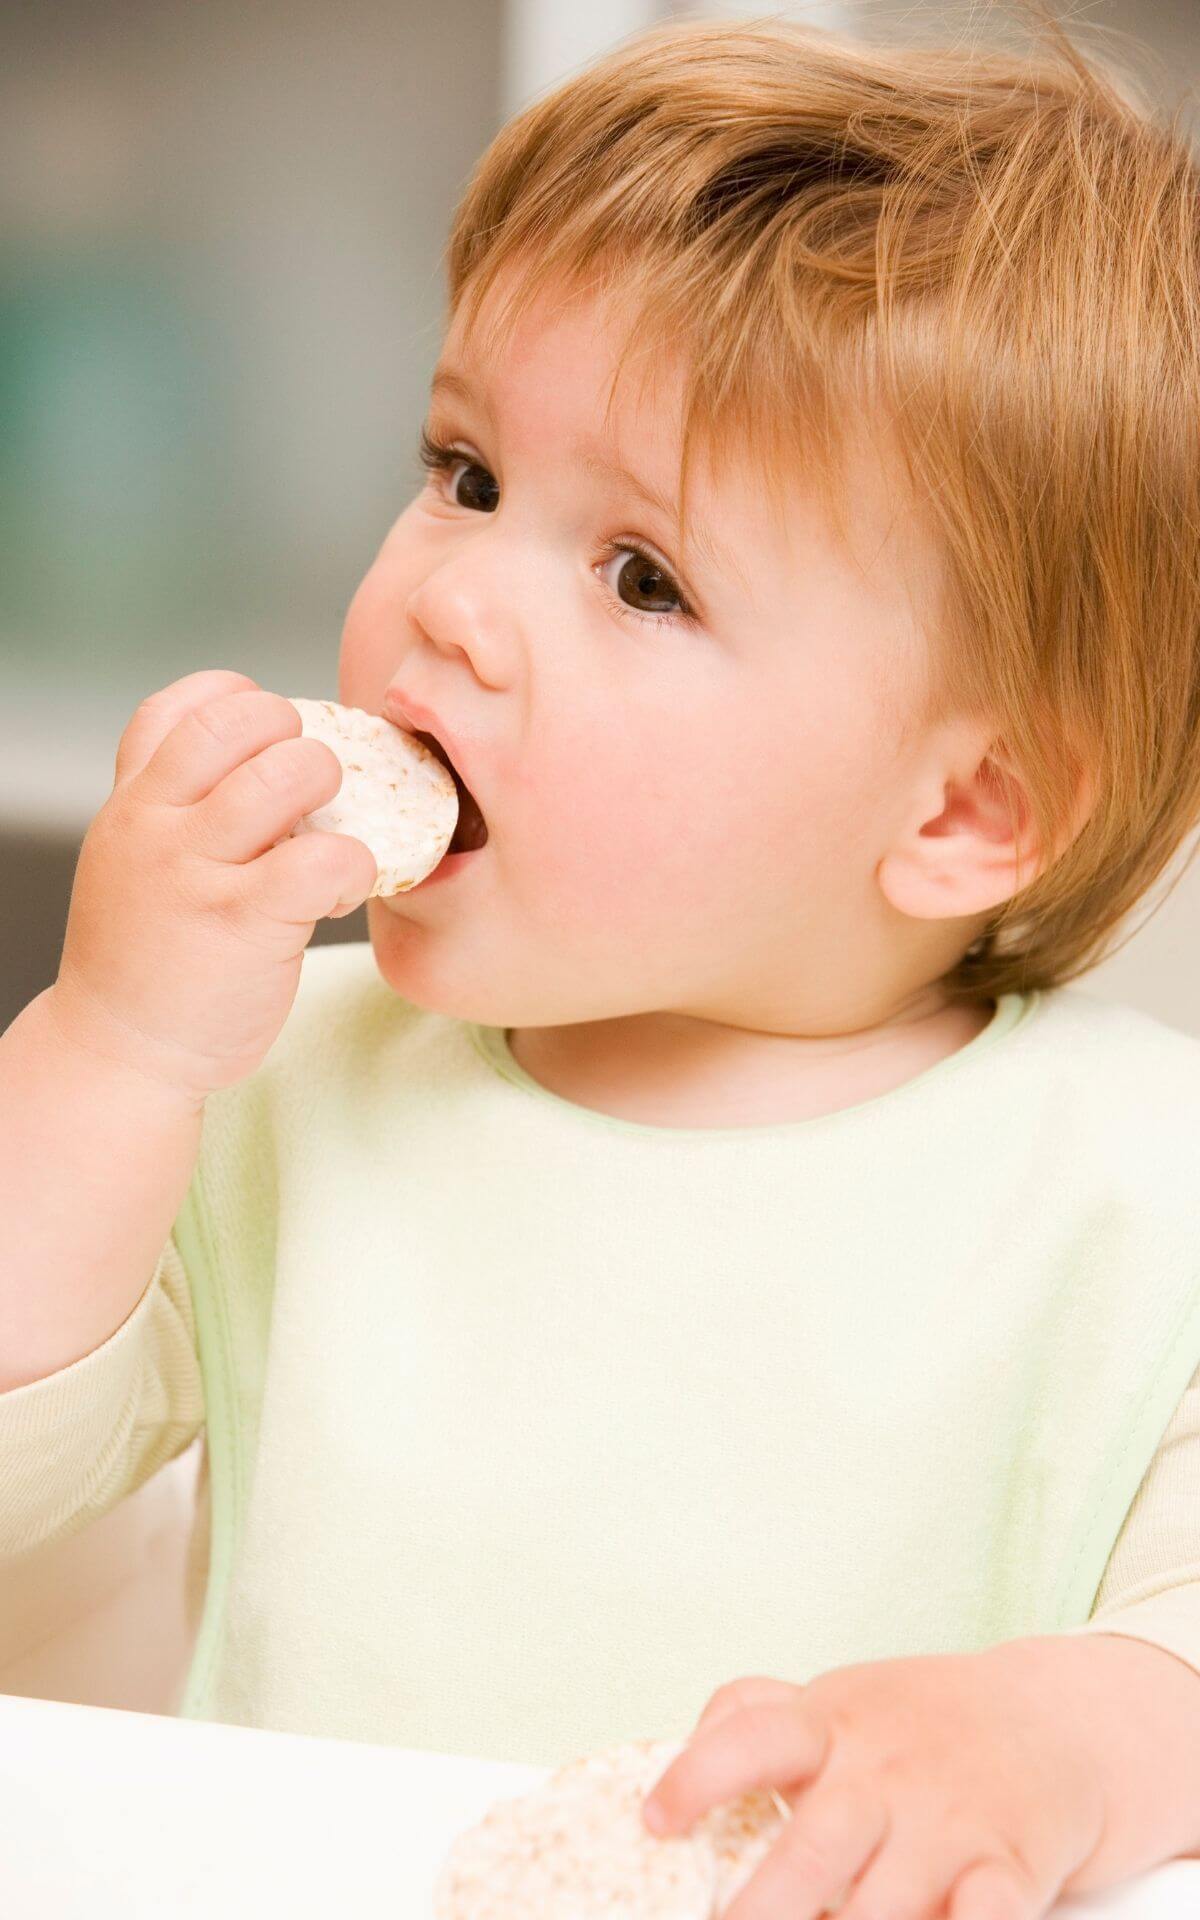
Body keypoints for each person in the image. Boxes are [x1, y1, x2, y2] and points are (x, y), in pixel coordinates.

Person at [4, 8, 1200, 1913]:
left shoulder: (1138, 1196)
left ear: (964, 811)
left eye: (644, 575)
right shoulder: (282, 1080)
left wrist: (1061, 1736)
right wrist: (115, 1042)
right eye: (465, 471)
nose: (450, 600)